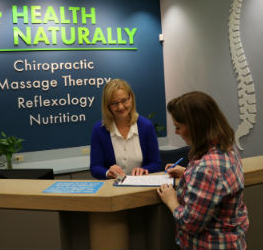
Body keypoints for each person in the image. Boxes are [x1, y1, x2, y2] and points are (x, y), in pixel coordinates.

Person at [157, 91, 249, 250]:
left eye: (178, 127)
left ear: (196, 127)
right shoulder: (228, 148)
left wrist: (171, 200)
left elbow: (190, 223)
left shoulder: (206, 170)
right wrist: (187, 172)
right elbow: (217, 186)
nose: (176, 132)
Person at [90, 79, 162, 179]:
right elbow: (95, 167)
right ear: (107, 106)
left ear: (131, 98)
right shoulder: (99, 130)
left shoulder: (146, 126)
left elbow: (156, 163)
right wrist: (107, 172)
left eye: (124, 100)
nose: (120, 107)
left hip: (141, 187)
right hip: (113, 189)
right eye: (114, 103)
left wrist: (145, 170)